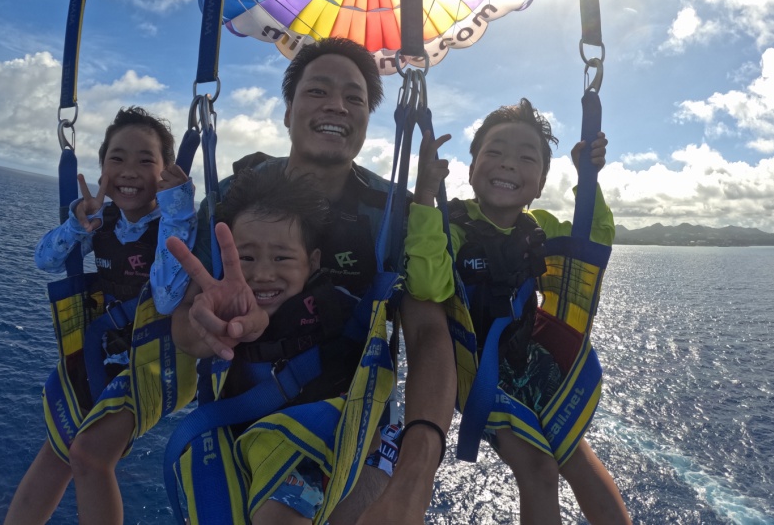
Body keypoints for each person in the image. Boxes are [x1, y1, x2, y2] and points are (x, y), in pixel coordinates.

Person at [181, 38, 456, 525]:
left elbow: (428, 333)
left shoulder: (392, 213)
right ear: (287, 112)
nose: (337, 106)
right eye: (318, 92)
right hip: (240, 420)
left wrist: (418, 468)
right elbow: (185, 324)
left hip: (349, 428)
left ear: (367, 122)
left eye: (354, 98)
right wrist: (207, 330)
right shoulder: (233, 200)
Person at [406, 98, 632, 524]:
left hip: (531, 363)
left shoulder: (539, 230)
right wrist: (423, 200)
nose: (508, 164)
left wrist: (589, 179)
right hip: (478, 373)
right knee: (540, 469)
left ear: (541, 183)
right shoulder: (448, 228)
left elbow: (593, 242)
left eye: (526, 157)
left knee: (574, 453)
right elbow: (427, 285)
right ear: (470, 169)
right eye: (494, 152)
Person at [4, 106, 198, 525]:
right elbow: (44, 260)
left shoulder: (176, 223)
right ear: (102, 169)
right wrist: (78, 226)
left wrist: (178, 208)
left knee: (89, 456)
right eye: (117, 158)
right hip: (108, 355)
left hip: (160, 360)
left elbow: (165, 297)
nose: (130, 170)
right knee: (57, 451)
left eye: (146, 160)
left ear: (166, 171)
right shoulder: (103, 222)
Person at [170, 166, 378, 523]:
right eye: (247, 258)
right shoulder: (223, 305)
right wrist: (209, 325)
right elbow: (190, 339)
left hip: (310, 439)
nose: (264, 274)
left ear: (312, 262)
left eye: (282, 258)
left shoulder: (338, 308)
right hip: (237, 436)